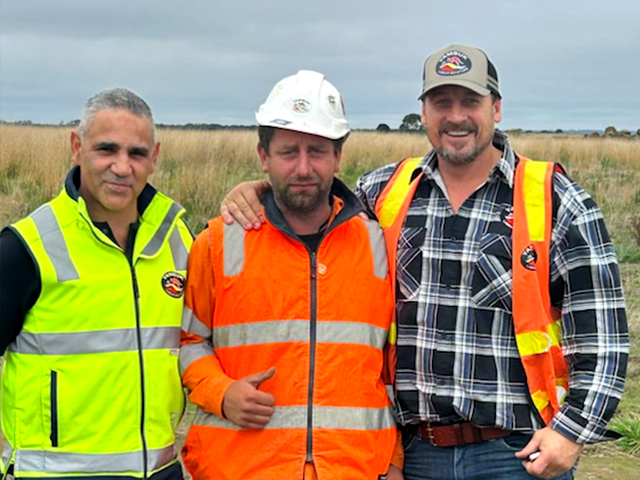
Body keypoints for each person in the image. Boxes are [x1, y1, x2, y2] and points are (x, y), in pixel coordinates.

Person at [220, 45, 629, 480]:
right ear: (424, 112)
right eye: (441, 103)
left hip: (516, 455)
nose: (455, 117)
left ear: (496, 108)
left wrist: (572, 432)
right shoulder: (382, 192)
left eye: (470, 101)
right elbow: (308, 201)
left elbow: (602, 334)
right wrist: (259, 192)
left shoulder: (555, 198)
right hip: (415, 454)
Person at [179, 70, 403, 480]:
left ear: (338, 157)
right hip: (241, 469)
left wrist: (393, 461)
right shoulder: (217, 242)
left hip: (355, 470)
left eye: (317, 151)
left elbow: (391, 366)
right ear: (263, 156)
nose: (303, 167)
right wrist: (222, 393)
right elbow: (188, 342)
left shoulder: (377, 245)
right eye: (288, 152)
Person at [0, 88, 192, 480]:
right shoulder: (26, 247)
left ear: (154, 158)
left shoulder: (178, 240)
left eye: (137, 153)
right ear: (77, 147)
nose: (122, 167)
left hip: (159, 472)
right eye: (107, 150)